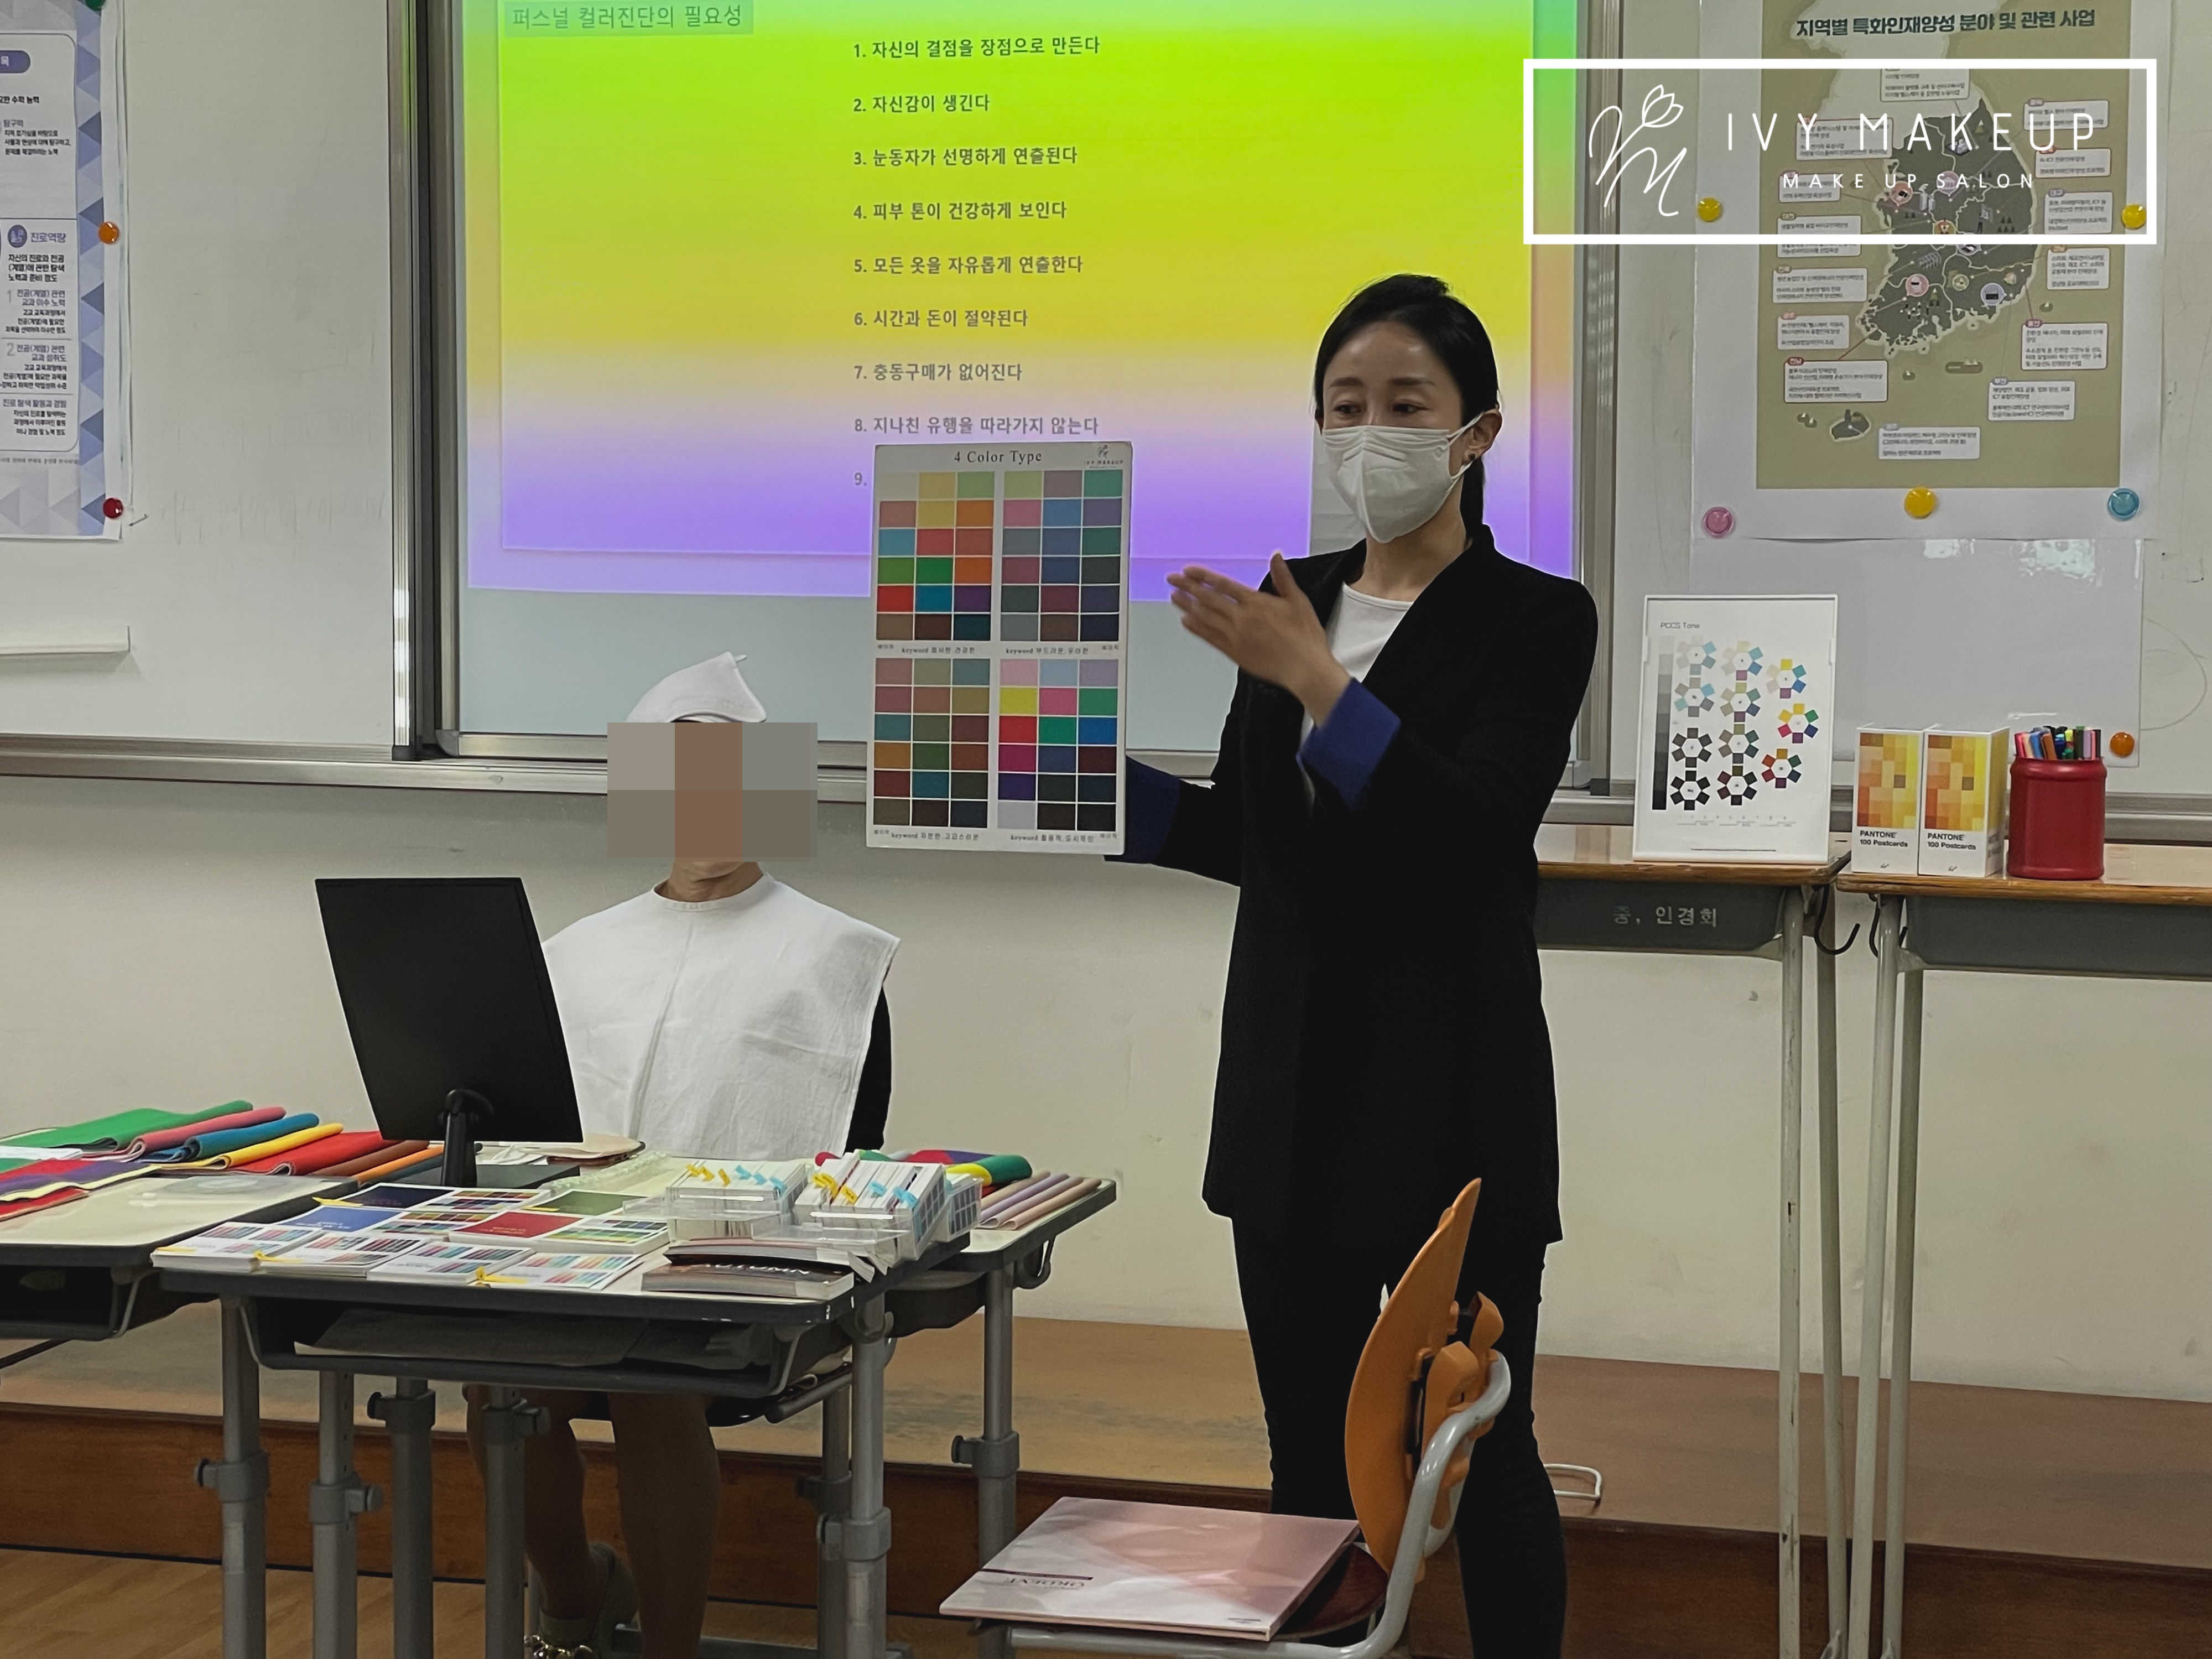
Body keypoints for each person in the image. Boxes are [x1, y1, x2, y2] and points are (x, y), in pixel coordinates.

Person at [1112, 274, 1597, 1655]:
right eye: (1342, 405)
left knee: (1476, 1443)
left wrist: (1317, 682)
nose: (1366, 430)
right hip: (1290, 1100)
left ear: (1474, 433)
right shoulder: (1298, 600)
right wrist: (1079, 792)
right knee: (1306, 1461)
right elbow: (1250, 839)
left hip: (1451, 1104)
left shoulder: (1535, 615)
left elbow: (1468, 831)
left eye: (1402, 403)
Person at [468, 653, 899, 1659]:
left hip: (746, 1274)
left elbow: (856, 1155)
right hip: (577, 1258)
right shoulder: (578, 951)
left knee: (650, 1382)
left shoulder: (837, 955)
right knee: (496, 1388)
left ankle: (671, 1647)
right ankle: (574, 1598)